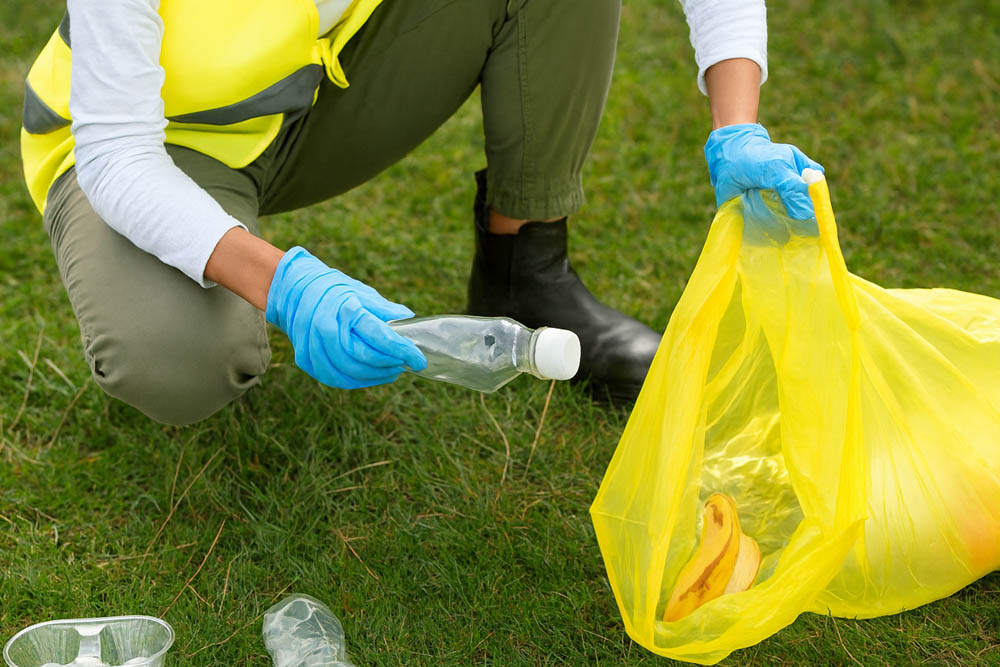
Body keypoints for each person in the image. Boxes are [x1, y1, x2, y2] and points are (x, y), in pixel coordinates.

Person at [21, 0, 823, 426]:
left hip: (312, 94)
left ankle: (524, 273)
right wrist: (286, 285)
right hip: (157, 144)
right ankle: (215, 284)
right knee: (174, 360)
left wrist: (737, 124)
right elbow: (119, 155)